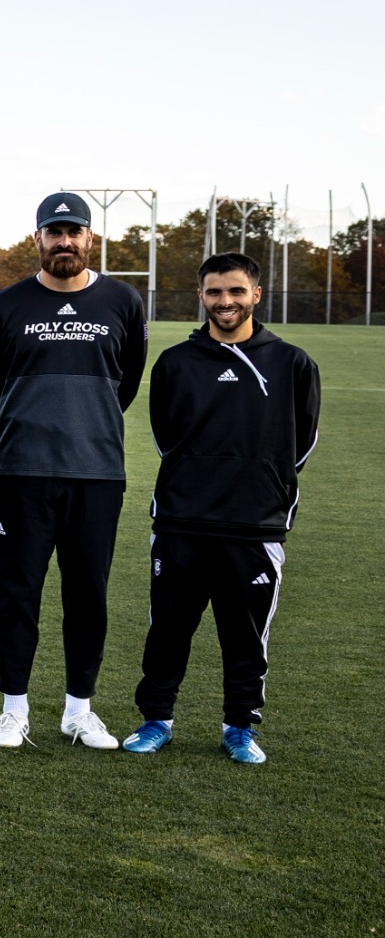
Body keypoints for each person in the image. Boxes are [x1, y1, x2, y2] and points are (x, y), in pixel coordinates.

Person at [123, 252, 319, 764]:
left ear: (256, 294)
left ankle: (239, 727)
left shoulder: (293, 362)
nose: (225, 301)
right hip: (181, 521)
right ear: (201, 297)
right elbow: (166, 436)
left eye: (235, 291)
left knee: (246, 637)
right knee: (167, 629)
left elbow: (302, 442)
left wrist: (260, 479)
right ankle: (156, 719)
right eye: (214, 292)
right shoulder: (175, 362)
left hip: (255, 526)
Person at [0, 193, 147, 751]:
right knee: (17, 591)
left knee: (88, 594)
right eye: (55, 232)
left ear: (90, 239)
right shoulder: (5, 305)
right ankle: (13, 710)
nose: (64, 241)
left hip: (97, 473)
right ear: (38, 239)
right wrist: (30, 424)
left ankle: (79, 710)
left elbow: (127, 383)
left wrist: (83, 425)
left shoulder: (123, 300)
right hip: (22, 472)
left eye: (74, 232)